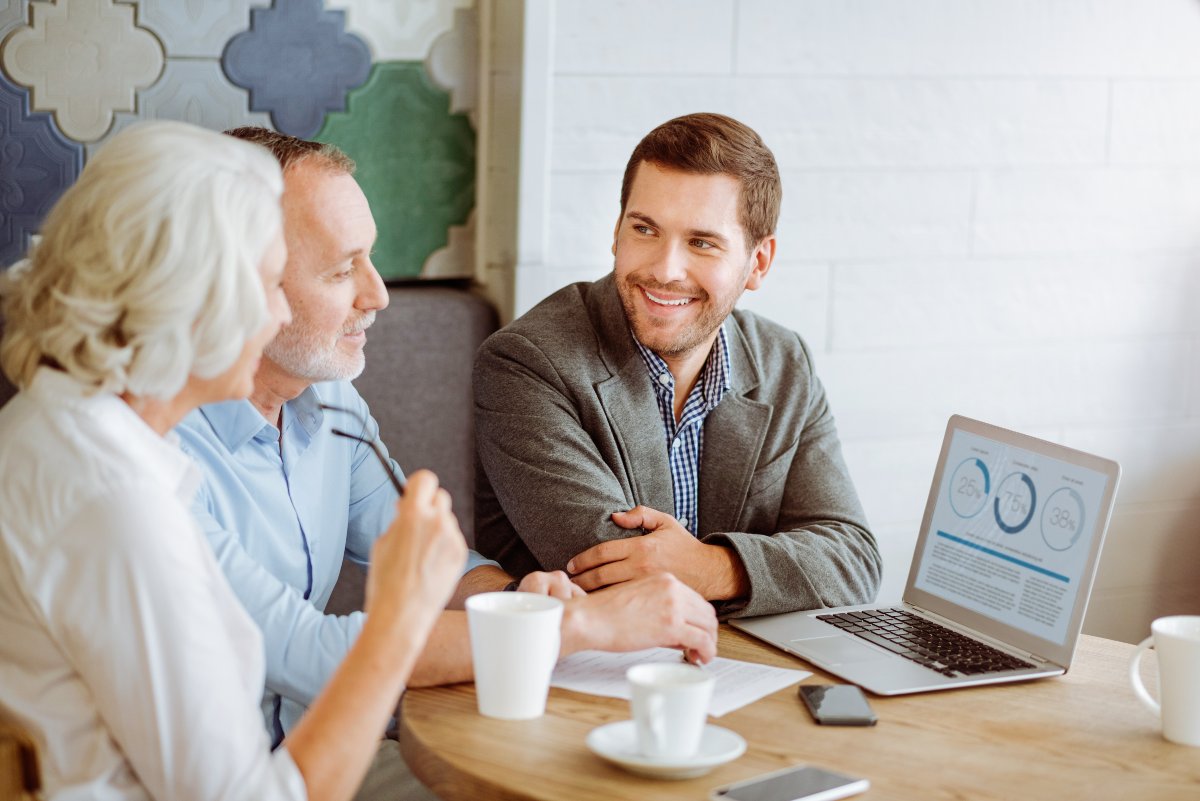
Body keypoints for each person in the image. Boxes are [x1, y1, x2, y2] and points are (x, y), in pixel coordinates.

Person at [174, 128, 719, 744]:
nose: (378, 294)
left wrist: (519, 601)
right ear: (241, 282)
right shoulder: (162, 454)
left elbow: (443, 567)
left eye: (370, 258)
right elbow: (312, 653)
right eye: (340, 270)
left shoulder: (329, 401)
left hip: (326, 751)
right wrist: (582, 625)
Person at [0, 120, 465, 801]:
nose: (277, 313)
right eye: (268, 284)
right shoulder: (113, 500)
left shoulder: (84, 431)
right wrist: (395, 622)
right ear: (191, 298)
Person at [474, 112, 881, 619]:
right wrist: (766, 572)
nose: (665, 269)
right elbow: (611, 575)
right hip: (582, 678)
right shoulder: (528, 362)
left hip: (744, 668)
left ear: (758, 263)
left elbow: (853, 561)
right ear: (616, 232)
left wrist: (713, 567)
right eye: (644, 229)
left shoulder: (784, 362)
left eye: (701, 242)